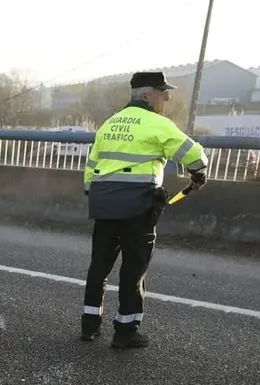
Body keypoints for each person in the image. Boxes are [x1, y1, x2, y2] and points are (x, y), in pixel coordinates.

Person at [81, 71, 208, 349]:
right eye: (163, 92)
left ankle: (89, 325)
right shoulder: (157, 123)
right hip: (137, 207)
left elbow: (91, 168)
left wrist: (96, 193)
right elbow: (194, 155)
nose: (168, 97)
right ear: (147, 95)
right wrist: (198, 174)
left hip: (103, 204)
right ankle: (125, 331)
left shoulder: (109, 124)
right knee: (133, 269)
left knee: (99, 265)